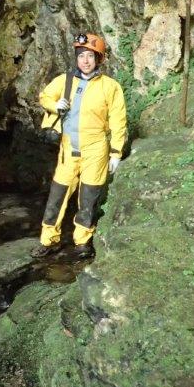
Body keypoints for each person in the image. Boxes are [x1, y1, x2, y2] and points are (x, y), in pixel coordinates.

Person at [36, 32, 127, 256]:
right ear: (76, 58)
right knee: (57, 196)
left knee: (89, 197)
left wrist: (116, 153)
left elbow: (118, 120)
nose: (85, 61)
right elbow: (44, 97)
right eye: (81, 56)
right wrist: (55, 104)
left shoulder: (110, 86)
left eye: (90, 56)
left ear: (99, 59)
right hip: (68, 149)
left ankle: (82, 241)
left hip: (96, 149)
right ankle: (49, 240)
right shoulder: (65, 81)